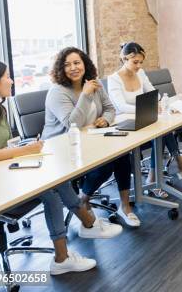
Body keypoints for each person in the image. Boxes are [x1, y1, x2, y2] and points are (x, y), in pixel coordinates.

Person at [0, 60, 122, 276]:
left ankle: (88, 225)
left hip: (5, 174)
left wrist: (24, 148)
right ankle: (64, 255)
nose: (11, 80)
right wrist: (23, 152)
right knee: (50, 194)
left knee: (57, 179)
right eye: (7, 76)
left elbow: (3, 147)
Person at [43, 47, 140, 227]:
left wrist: (105, 119)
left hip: (92, 139)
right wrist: (86, 94)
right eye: (67, 65)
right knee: (106, 162)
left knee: (121, 154)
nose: (73, 68)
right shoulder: (57, 92)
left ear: (84, 64)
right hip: (63, 147)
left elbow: (110, 108)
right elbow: (72, 124)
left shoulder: (94, 83)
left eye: (77, 63)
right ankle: (83, 199)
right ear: (60, 69)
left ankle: (125, 207)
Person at [107, 42, 182, 198]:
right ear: (124, 59)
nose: (139, 66)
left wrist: (155, 103)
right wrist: (147, 108)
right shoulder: (114, 79)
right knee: (162, 131)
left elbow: (154, 94)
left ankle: (155, 177)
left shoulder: (140, 73)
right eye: (135, 62)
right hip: (125, 124)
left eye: (141, 62)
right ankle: (177, 164)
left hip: (144, 118)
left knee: (162, 130)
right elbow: (122, 107)